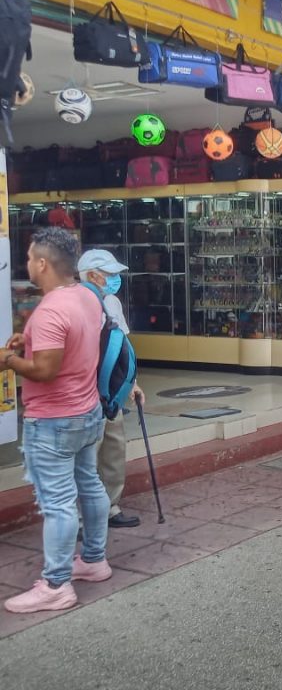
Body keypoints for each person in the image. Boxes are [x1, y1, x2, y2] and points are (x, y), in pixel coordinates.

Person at [3, 229, 109, 614]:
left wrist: (9, 360)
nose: (27, 264)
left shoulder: (50, 309)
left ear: (43, 264)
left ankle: (56, 584)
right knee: (90, 486)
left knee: (59, 504)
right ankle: (94, 560)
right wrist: (27, 342)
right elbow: (71, 346)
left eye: (30, 258)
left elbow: (45, 370)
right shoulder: (86, 296)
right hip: (86, 413)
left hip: (53, 421)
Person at [77, 250, 145, 529]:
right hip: (86, 393)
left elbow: (123, 347)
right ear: (92, 275)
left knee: (114, 451)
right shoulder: (76, 303)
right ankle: (82, 518)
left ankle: (110, 507)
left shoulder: (112, 302)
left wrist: (133, 383)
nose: (115, 279)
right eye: (110, 274)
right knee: (88, 455)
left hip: (113, 393)